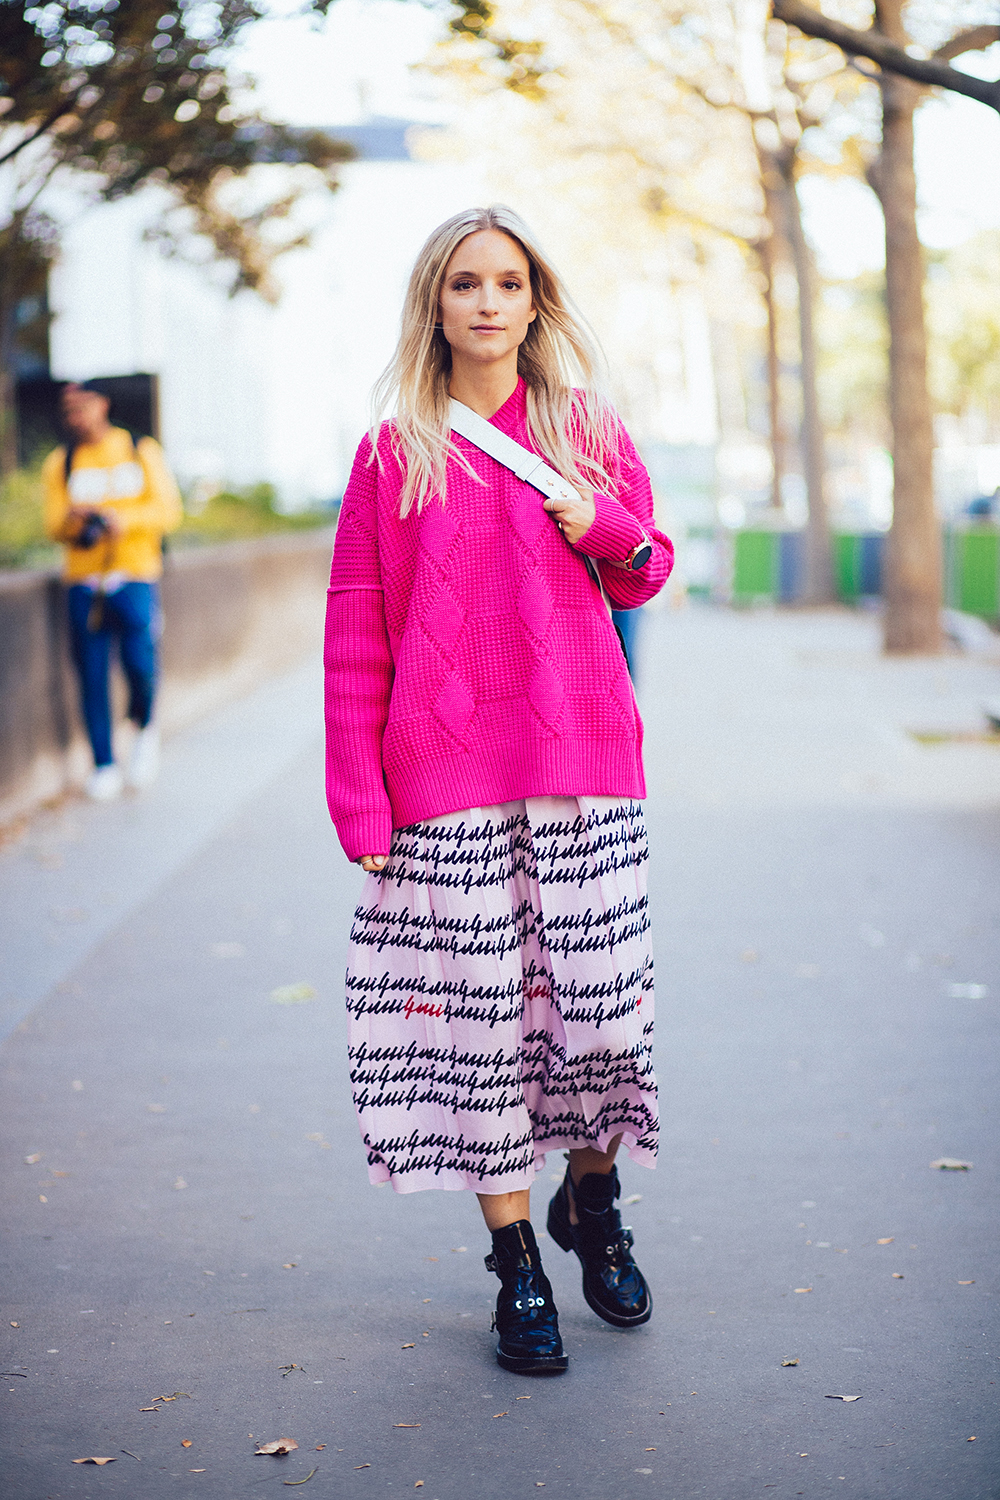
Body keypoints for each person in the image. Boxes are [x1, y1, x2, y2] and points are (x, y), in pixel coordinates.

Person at [324, 206, 674, 1375]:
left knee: (596, 1016)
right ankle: (514, 1262)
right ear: (435, 302)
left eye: (507, 282)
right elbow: (356, 638)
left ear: (535, 302)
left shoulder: (581, 428)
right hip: (442, 782)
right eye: (463, 282)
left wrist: (601, 517)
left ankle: (593, 1199)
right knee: (478, 1033)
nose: (485, 300)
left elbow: (645, 574)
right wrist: (358, 802)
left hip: (580, 761)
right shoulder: (392, 454)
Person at [43, 381, 182, 801]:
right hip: (84, 583)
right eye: (68, 409)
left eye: (82, 406)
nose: (75, 417)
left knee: (141, 664)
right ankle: (103, 763)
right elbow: (52, 524)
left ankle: (143, 730)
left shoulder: (140, 450)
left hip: (135, 576)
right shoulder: (62, 461)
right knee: (90, 673)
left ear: (102, 404)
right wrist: (74, 517)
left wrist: (123, 519)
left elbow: (168, 510)